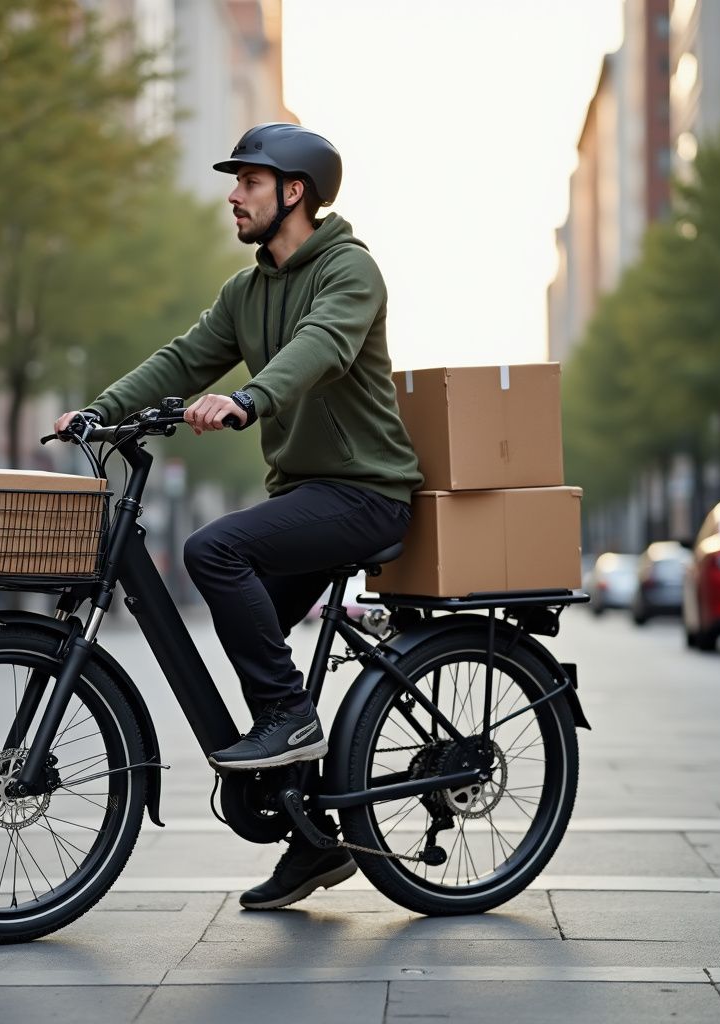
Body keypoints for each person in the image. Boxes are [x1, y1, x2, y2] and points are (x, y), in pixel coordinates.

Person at [55, 123, 423, 909]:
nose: (233, 194)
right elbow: (183, 358)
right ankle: (314, 838)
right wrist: (98, 409)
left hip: (366, 493)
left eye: (250, 181)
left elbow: (321, 346)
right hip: (306, 498)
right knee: (250, 636)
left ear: (295, 192)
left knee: (213, 553)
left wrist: (249, 398)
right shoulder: (247, 291)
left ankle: (291, 719)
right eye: (235, 182)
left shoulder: (351, 272)